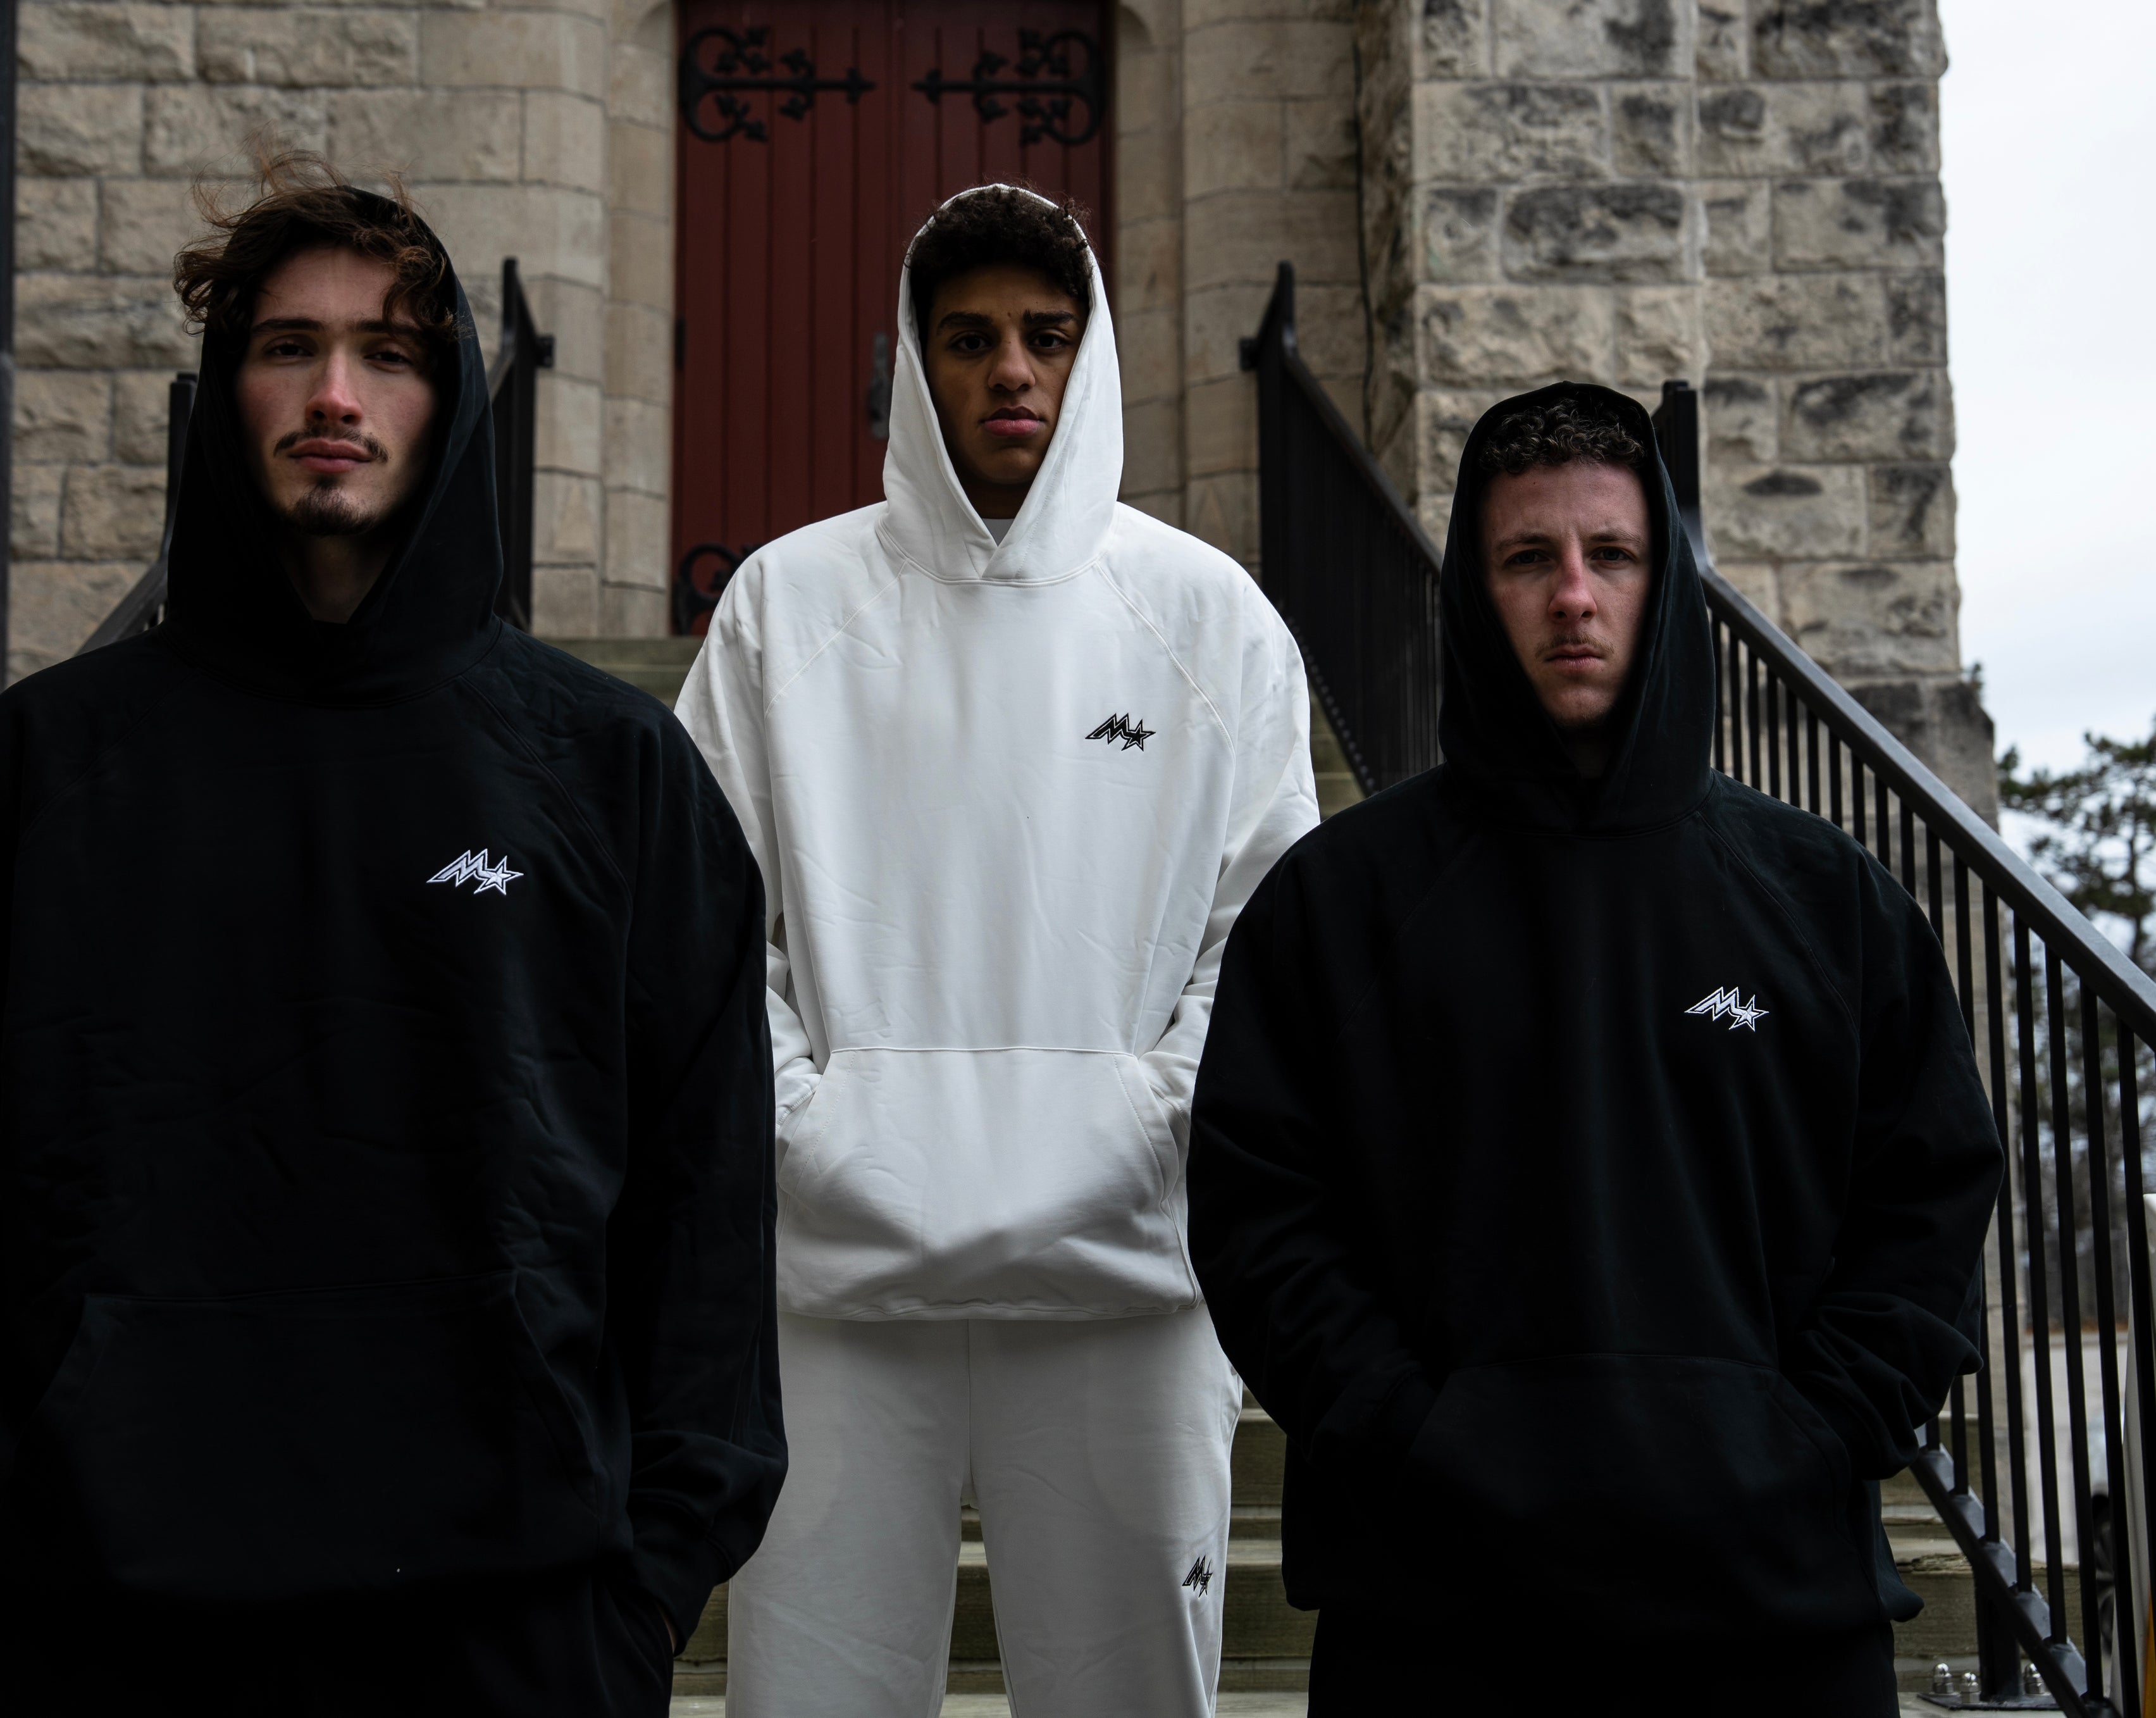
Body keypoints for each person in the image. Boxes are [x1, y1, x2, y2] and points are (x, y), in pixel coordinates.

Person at [0, 155, 783, 1717]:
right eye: (290, 346)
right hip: (96, 1628)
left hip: (513, 1633)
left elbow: (708, 1215)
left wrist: (642, 1596)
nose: (335, 393)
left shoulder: (612, 776)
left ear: (451, 400)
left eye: (388, 353)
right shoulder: (40, 772)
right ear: (226, 390)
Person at [1187, 381, 2005, 1712]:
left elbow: (1928, 1201)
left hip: (1776, 1615)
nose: (1574, 595)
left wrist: (1807, 1435)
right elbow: (1260, 1212)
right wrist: (1413, 1434)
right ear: (1476, 590)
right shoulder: (1342, 905)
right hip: (1434, 1621)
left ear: (1664, 578)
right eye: (1528, 558)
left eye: (1611, 554)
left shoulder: (1826, 902)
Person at [675, 184, 1319, 1717]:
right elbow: (697, 924)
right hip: (835, 1279)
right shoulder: (786, 607)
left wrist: (1145, 1122)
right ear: (916, 363)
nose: (1011, 370)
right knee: (815, 1695)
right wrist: (813, 1129)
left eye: (1046, 335)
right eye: (969, 340)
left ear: (1092, 355)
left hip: (1128, 1270)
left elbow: (1271, 940)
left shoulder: (1208, 617)